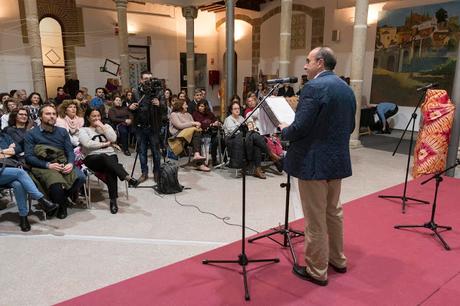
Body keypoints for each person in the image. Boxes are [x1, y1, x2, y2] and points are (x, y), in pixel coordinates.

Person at [279, 47, 356, 286]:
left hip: (313, 163)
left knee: (315, 219)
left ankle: (317, 270)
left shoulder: (313, 87)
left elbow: (300, 127)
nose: (305, 66)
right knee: (334, 212)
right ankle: (338, 260)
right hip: (336, 160)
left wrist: (285, 131)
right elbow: (350, 126)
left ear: (320, 63)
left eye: (308, 61)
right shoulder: (346, 88)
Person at [24, 104, 86, 219]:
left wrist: (70, 163)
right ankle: (62, 206)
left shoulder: (62, 132)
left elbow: (70, 151)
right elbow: (29, 157)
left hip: (62, 162)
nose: (52, 116)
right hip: (43, 164)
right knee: (55, 183)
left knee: (80, 177)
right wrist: (48, 165)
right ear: (40, 117)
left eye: (54, 114)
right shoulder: (31, 134)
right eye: (48, 114)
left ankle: (55, 201)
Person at [79, 108, 138, 214]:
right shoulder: (84, 130)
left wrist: (102, 127)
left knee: (111, 169)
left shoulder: (106, 127)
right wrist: (105, 144)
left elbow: (113, 138)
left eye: (98, 116)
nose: (97, 118)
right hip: (92, 158)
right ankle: (126, 176)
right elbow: (87, 144)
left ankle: (113, 201)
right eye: (94, 116)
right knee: (105, 157)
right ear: (88, 118)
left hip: (110, 156)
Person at [0, 130, 58, 231]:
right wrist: (8, 150)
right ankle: (41, 200)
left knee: (18, 184)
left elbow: (17, 149)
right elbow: (11, 151)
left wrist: (3, 152)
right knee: (20, 173)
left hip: (6, 170)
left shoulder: (5, 136)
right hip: (5, 171)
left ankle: (23, 217)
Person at [223, 101, 280, 179]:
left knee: (255, 141)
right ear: (231, 110)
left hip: (243, 138)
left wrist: (249, 128)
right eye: (235, 109)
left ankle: (258, 169)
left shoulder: (242, 118)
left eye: (238, 108)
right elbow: (235, 133)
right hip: (234, 141)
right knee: (254, 137)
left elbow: (246, 130)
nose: (237, 110)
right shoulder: (228, 119)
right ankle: (271, 155)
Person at [130, 70, 167, 183]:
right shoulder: (136, 92)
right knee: (142, 151)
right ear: (141, 80)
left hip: (154, 126)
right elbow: (131, 107)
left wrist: (159, 104)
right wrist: (130, 107)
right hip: (140, 126)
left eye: (150, 79)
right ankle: (144, 173)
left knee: (156, 152)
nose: (148, 81)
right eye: (146, 79)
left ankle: (156, 173)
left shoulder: (159, 92)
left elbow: (165, 108)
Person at [169, 98, 210, 171]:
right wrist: (193, 123)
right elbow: (179, 125)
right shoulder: (174, 114)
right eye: (185, 105)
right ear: (180, 105)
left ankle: (197, 157)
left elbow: (193, 125)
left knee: (197, 134)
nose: (187, 106)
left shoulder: (188, 115)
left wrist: (197, 125)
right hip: (179, 137)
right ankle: (199, 162)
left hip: (190, 136)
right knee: (196, 134)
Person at [192, 100, 221, 167]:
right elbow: (200, 124)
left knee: (215, 139)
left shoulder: (210, 114)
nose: (200, 108)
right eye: (199, 106)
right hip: (199, 134)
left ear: (205, 107)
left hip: (210, 133)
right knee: (205, 140)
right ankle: (204, 161)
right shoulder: (195, 114)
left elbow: (215, 120)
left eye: (202, 106)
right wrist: (210, 124)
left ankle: (211, 160)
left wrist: (217, 123)